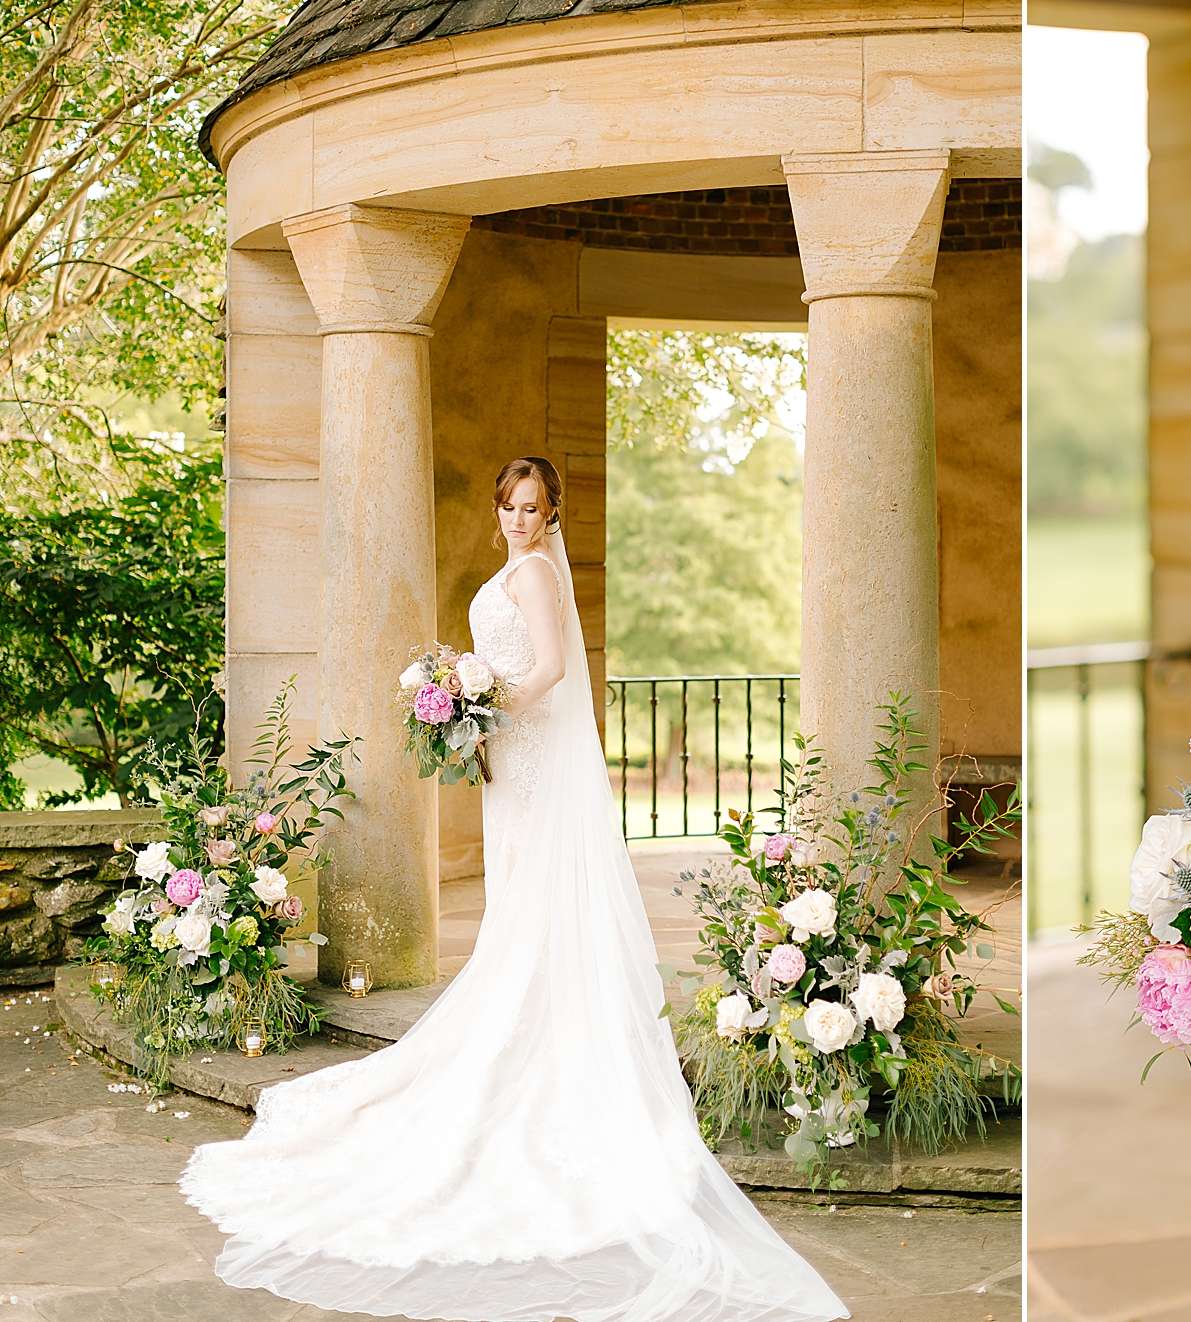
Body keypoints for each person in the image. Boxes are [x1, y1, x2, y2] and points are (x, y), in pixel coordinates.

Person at [182, 456, 847, 1322]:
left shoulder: (534, 573)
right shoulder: (513, 565)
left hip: (528, 756)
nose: (521, 519)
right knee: (520, 903)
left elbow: (553, 671)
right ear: (497, 510)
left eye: (533, 507)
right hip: (512, 764)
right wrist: (466, 699)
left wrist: (481, 705)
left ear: (550, 514)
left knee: (536, 902)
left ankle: (539, 1030)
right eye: (510, 506)